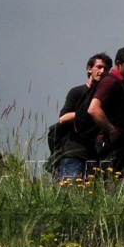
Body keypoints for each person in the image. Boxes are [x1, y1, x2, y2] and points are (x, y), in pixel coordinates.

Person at [51, 52, 111, 180]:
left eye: (106, 69)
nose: (102, 71)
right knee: (70, 191)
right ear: (89, 69)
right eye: (99, 67)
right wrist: (87, 112)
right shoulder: (77, 92)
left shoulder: (106, 95)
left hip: (95, 154)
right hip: (74, 151)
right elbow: (63, 118)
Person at [87, 47, 124, 178]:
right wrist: (112, 131)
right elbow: (93, 109)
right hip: (111, 146)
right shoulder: (110, 81)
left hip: (122, 146)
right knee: (115, 186)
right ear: (118, 64)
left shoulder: (121, 83)